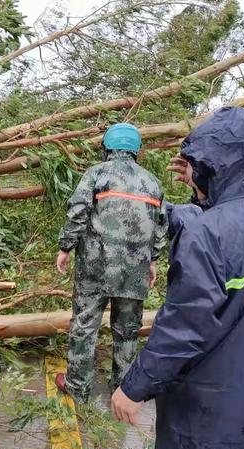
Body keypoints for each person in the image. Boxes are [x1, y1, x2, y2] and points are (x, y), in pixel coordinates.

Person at [112, 106, 244, 449]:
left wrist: (135, 386)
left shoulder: (210, 233)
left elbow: (186, 326)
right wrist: (204, 190)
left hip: (208, 414)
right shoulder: (215, 224)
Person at [55, 123, 168, 403]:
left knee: (84, 325)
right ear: (136, 151)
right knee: (128, 331)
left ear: (107, 147)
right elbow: (161, 227)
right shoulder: (152, 182)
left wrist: (65, 247)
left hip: (95, 267)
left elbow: (78, 212)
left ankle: (78, 387)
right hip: (134, 271)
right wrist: (152, 260)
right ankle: (123, 389)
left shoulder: (96, 174)